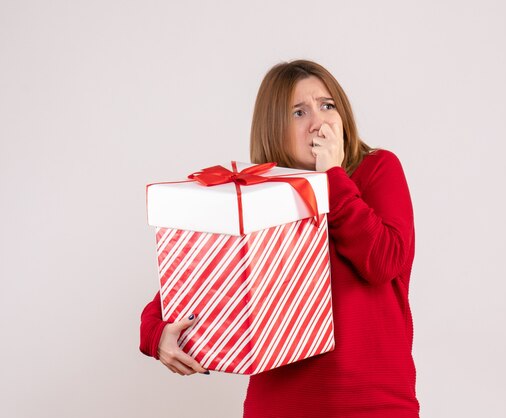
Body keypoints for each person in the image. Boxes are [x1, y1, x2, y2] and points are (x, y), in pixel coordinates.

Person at [140, 59, 420, 417]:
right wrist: (154, 332)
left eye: (327, 105)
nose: (319, 122)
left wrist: (333, 177)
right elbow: (199, 279)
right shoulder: (263, 195)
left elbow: (383, 261)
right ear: (275, 128)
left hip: (376, 405)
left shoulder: (377, 169)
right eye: (299, 112)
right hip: (280, 405)